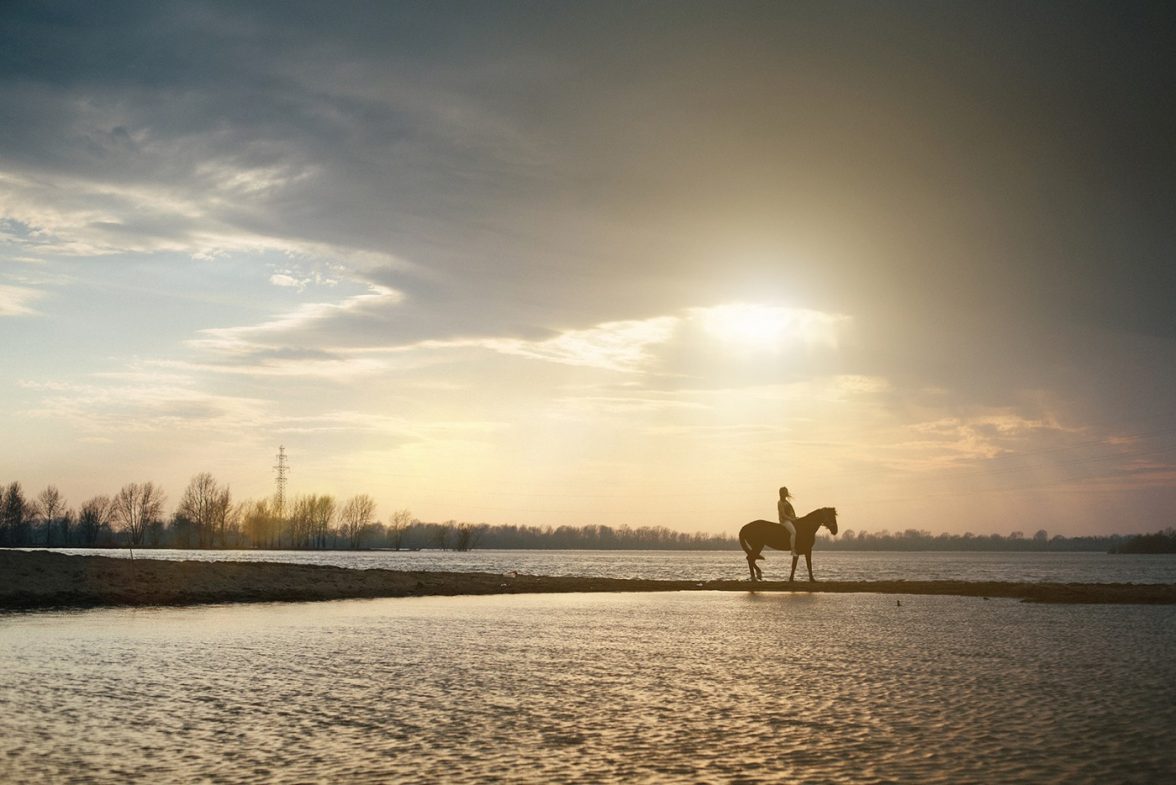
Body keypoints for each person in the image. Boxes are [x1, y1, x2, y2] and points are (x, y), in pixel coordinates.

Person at [778, 486, 798, 557]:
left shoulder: (786, 502)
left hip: (790, 519)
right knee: (793, 532)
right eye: (785, 492)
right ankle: (792, 550)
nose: (787, 493)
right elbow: (783, 514)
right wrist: (791, 519)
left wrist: (795, 518)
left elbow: (790, 512)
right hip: (784, 521)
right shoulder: (780, 502)